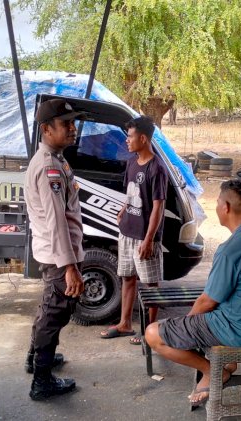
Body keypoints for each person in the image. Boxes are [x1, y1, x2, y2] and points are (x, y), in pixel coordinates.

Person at [145, 180, 241, 407]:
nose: (217, 206)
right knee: (198, 319)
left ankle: (212, 371)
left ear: (226, 207)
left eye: (218, 201)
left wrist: (187, 325)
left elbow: (207, 301)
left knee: (153, 333)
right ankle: (227, 364)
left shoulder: (232, 249)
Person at [24, 99, 86, 401]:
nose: (73, 129)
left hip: (56, 253)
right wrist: (70, 266)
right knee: (55, 313)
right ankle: (42, 379)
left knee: (51, 308)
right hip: (59, 255)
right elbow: (56, 220)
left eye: (74, 123)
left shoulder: (55, 158)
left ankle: (35, 357)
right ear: (47, 129)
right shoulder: (49, 165)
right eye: (66, 124)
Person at [99, 116, 167, 345]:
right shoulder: (131, 162)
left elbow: (158, 207)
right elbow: (132, 192)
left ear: (143, 138)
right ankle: (125, 324)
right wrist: (123, 209)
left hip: (144, 237)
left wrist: (148, 240)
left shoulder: (157, 169)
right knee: (127, 278)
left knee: (150, 284)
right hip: (127, 231)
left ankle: (149, 331)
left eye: (129, 136)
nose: (126, 141)